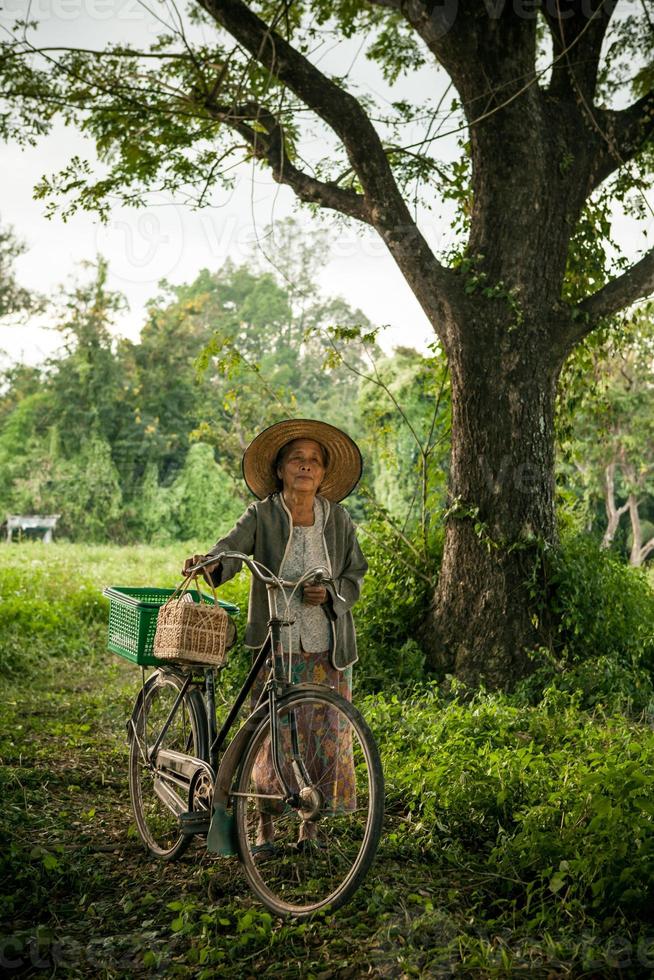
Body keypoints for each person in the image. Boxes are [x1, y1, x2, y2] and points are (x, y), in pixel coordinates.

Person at [183, 418, 367, 848]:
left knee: (324, 734)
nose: (306, 467)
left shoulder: (337, 520)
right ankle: (263, 825)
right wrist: (210, 564)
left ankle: (310, 827)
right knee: (272, 734)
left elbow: (355, 574)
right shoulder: (262, 514)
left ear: (323, 474)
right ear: (281, 470)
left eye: (314, 461)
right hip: (276, 641)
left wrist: (332, 593)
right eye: (296, 460)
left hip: (327, 644)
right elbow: (230, 548)